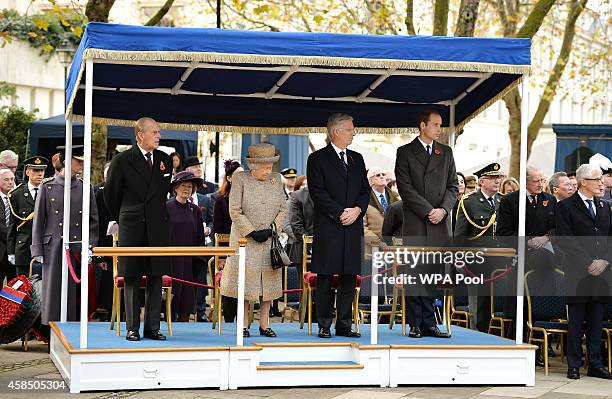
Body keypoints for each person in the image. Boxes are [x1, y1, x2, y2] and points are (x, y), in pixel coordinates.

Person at [104, 117, 172, 341]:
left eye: (159, 132)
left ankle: (152, 327)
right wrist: (125, 217)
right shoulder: (122, 160)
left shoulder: (164, 160)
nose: (158, 136)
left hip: (157, 226)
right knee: (132, 277)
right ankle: (132, 327)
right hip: (133, 226)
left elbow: (162, 195)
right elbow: (111, 196)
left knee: (155, 277)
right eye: (154, 132)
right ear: (140, 135)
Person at [395, 109, 457, 339]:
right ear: (423, 125)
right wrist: (428, 210)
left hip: (439, 223)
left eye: (440, 125)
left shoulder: (446, 152)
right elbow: (405, 187)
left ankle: (430, 322)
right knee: (414, 273)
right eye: (435, 124)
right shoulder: (405, 152)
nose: (439, 129)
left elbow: (453, 186)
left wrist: (443, 210)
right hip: (416, 221)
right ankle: (414, 322)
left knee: (432, 274)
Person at [307, 113, 369, 339]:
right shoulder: (318, 159)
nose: (354, 132)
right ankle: (324, 323)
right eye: (350, 129)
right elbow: (317, 192)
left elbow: (365, 190)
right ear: (336, 132)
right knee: (325, 276)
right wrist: (339, 212)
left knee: (349, 275)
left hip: (352, 225)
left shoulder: (357, 158)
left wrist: (357, 210)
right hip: (329, 225)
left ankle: (344, 324)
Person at [220, 143, 287, 338]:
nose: (269, 170)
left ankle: (264, 324)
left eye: (270, 166)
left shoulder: (276, 179)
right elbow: (234, 210)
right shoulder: (241, 179)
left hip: (269, 240)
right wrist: (251, 231)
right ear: (254, 166)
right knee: (246, 284)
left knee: (269, 284)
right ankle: (243, 324)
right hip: (245, 240)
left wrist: (272, 229)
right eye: (265, 167)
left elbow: (284, 208)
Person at [556, 163, 612, 380]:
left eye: (601, 179)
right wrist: (589, 262)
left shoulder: (605, 206)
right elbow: (566, 240)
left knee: (597, 320)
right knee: (577, 321)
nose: (601, 183)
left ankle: (595, 364)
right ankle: (574, 364)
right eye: (596, 180)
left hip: (602, 273)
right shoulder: (566, 207)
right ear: (582, 182)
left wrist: (604, 261)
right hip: (578, 272)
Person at [30, 148, 98, 325]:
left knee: (76, 294)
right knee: (53, 292)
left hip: (77, 247)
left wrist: (90, 245)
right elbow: (39, 220)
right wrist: (37, 248)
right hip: (53, 247)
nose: (82, 164)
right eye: (78, 161)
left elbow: (93, 220)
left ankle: (74, 330)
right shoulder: (48, 186)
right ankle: (52, 332)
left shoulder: (85, 187)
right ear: (66, 161)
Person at [454, 162, 503, 332]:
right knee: (479, 301)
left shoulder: (502, 200)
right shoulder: (470, 202)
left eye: (498, 178)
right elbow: (460, 234)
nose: (497, 181)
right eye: (492, 178)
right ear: (482, 182)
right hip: (477, 258)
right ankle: (479, 333)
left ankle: (497, 332)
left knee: (498, 299)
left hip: (500, 258)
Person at [167, 171, 205, 322]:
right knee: (170, 298)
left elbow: (200, 237)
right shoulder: (166, 207)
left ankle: (184, 326)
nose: (187, 189)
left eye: (190, 186)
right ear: (175, 188)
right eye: (183, 185)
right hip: (170, 260)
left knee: (186, 300)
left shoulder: (195, 210)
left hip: (189, 261)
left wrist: (199, 259)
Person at [7, 156, 48, 278]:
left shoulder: (49, 192)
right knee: (23, 288)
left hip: (44, 247)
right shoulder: (17, 194)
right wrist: (11, 252)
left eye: (42, 170)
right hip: (24, 248)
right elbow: (12, 225)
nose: (40, 174)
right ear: (27, 172)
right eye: (35, 170)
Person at [213, 159, 243, 323]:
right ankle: (230, 321)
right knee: (230, 287)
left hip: (245, 247)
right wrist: (222, 257)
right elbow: (218, 231)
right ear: (230, 178)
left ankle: (244, 322)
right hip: (228, 251)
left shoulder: (248, 197)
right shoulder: (221, 200)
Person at [92, 162, 113, 321]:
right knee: (104, 284)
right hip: (105, 246)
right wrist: (100, 256)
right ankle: (103, 313)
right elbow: (96, 225)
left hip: (123, 246)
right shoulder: (98, 192)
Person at [363, 166, 399, 256]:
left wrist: (396, 243)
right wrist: (379, 243)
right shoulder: (363, 199)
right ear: (370, 181)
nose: (382, 177)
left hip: (394, 248)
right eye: (378, 175)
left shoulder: (396, 198)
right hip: (372, 250)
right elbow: (362, 227)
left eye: (383, 174)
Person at [288, 176, 314, 278]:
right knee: (301, 285)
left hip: (327, 249)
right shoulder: (298, 196)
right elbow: (295, 224)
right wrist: (310, 241)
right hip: (302, 247)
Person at [0, 168, 15, 283]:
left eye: (12, 179)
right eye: (6, 180)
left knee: (15, 286)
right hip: (2, 247)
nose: (10, 182)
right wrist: (12, 237)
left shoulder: (17, 197)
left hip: (15, 251)